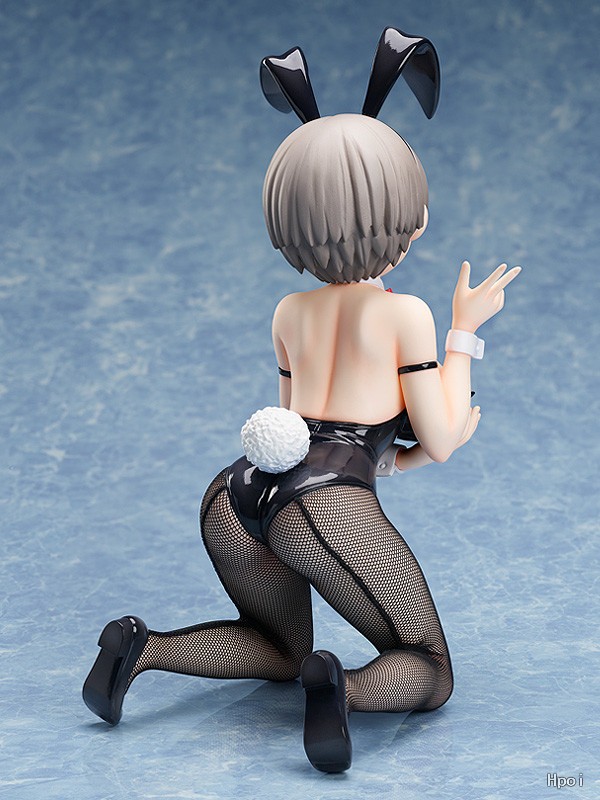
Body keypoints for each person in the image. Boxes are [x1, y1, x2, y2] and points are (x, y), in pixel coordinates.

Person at [82, 33, 521, 774]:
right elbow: (442, 437)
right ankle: (341, 689)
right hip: (323, 507)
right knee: (428, 667)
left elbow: (308, 424)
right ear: (402, 214)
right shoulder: (404, 314)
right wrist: (464, 334)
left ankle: (141, 648)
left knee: (278, 650)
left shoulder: (289, 311)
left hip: (236, 495)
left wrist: (391, 459)